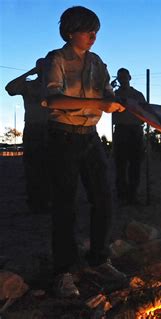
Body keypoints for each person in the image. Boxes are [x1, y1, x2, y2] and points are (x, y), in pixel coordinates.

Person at [41, 6, 127, 297]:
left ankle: (99, 259)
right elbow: (53, 100)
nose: (93, 36)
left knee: (103, 198)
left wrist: (113, 100)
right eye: (87, 30)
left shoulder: (97, 62)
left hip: (90, 137)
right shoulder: (57, 59)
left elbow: (107, 91)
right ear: (70, 31)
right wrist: (98, 105)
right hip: (63, 137)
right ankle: (63, 271)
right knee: (64, 204)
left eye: (96, 31)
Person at [5, 58, 51, 214]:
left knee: (50, 166)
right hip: (33, 128)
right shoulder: (28, 85)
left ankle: (47, 200)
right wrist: (29, 73)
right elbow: (10, 88)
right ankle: (35, 201)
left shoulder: (54, 86)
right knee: (32, 166)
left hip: (51, 128)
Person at [112, 68, 146, 205]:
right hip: (121, 130)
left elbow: (145, 110)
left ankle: (133, 195)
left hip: (135, 130)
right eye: (120, 77)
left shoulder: (137, 95)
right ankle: (121, 195)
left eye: (124, 77)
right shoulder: (114, 94)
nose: (122, 79)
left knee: (135, 164)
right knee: (120, 165)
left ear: (129, 77)